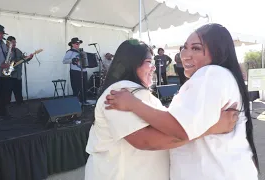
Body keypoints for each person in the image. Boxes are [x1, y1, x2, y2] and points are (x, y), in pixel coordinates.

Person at [105, 24, 259, 179]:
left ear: (218, 52)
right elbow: (166, 130)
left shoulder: (211, 74)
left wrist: (133, 104)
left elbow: (178, 129)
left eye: (196, 48)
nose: (185, 55)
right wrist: (213, 127)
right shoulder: (218, 76)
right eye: (185, 47)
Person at [85, 39, 238, 180]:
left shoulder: (135, 92)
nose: (153, 67)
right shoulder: (120, 91)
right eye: (147, 62)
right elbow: (145, 140)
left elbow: (162, 122)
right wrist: (211, 126)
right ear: (130, 64)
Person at [3, 36, 33, 106]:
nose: (15, 44)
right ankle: (6, 106)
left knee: (18, 91)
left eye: (15, 42)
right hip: (8, 76)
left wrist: (29, 57)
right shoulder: (4, 50)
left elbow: (23, 59)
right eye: (13, 42)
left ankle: (20, 103)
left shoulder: (18, 51)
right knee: (7, 93)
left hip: (18, 76)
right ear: (8, 42)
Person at [63, 37, 88, 103]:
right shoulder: (70, 52)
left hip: (84, 71)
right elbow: (64, 61)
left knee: (84, 86)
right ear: (72, 44)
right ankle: (76, 102)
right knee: (76, 87)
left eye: (79, 43)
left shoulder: (82, 51)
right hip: (75, 71)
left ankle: (83, 100)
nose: (78, 45)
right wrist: (72, 60)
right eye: (77, 44)